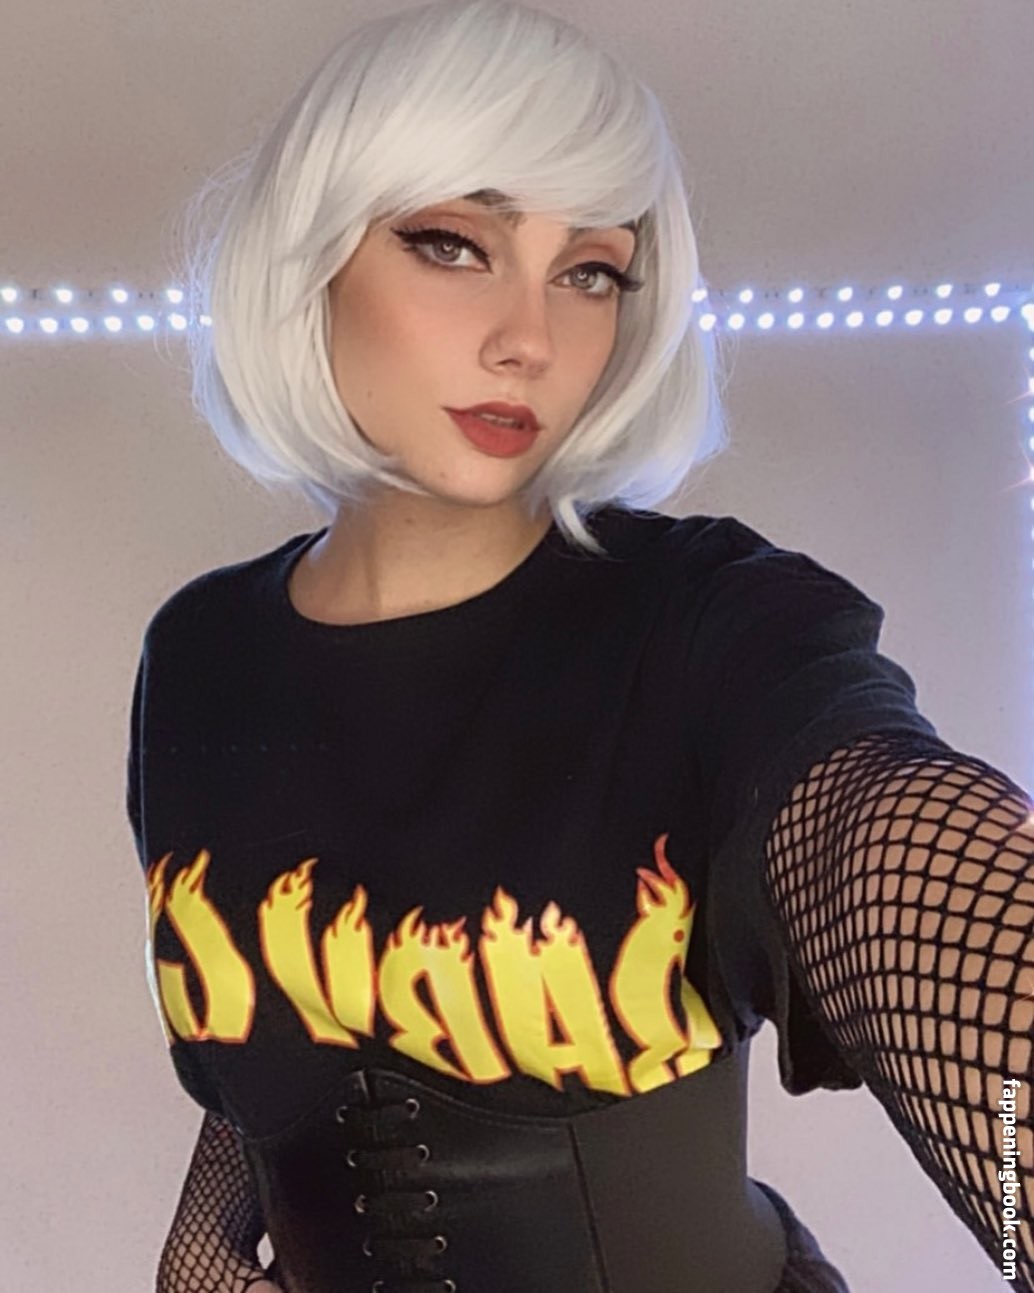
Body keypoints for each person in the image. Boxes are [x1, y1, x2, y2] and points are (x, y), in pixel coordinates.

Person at [125, 1, 1033, 1290]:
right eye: (454, 245)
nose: (532, 340)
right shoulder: (200, 657)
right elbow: (271, 1018)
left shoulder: (710, 626)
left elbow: (884, 845)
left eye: (590, 271)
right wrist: (204, 1245)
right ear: (308, 257)